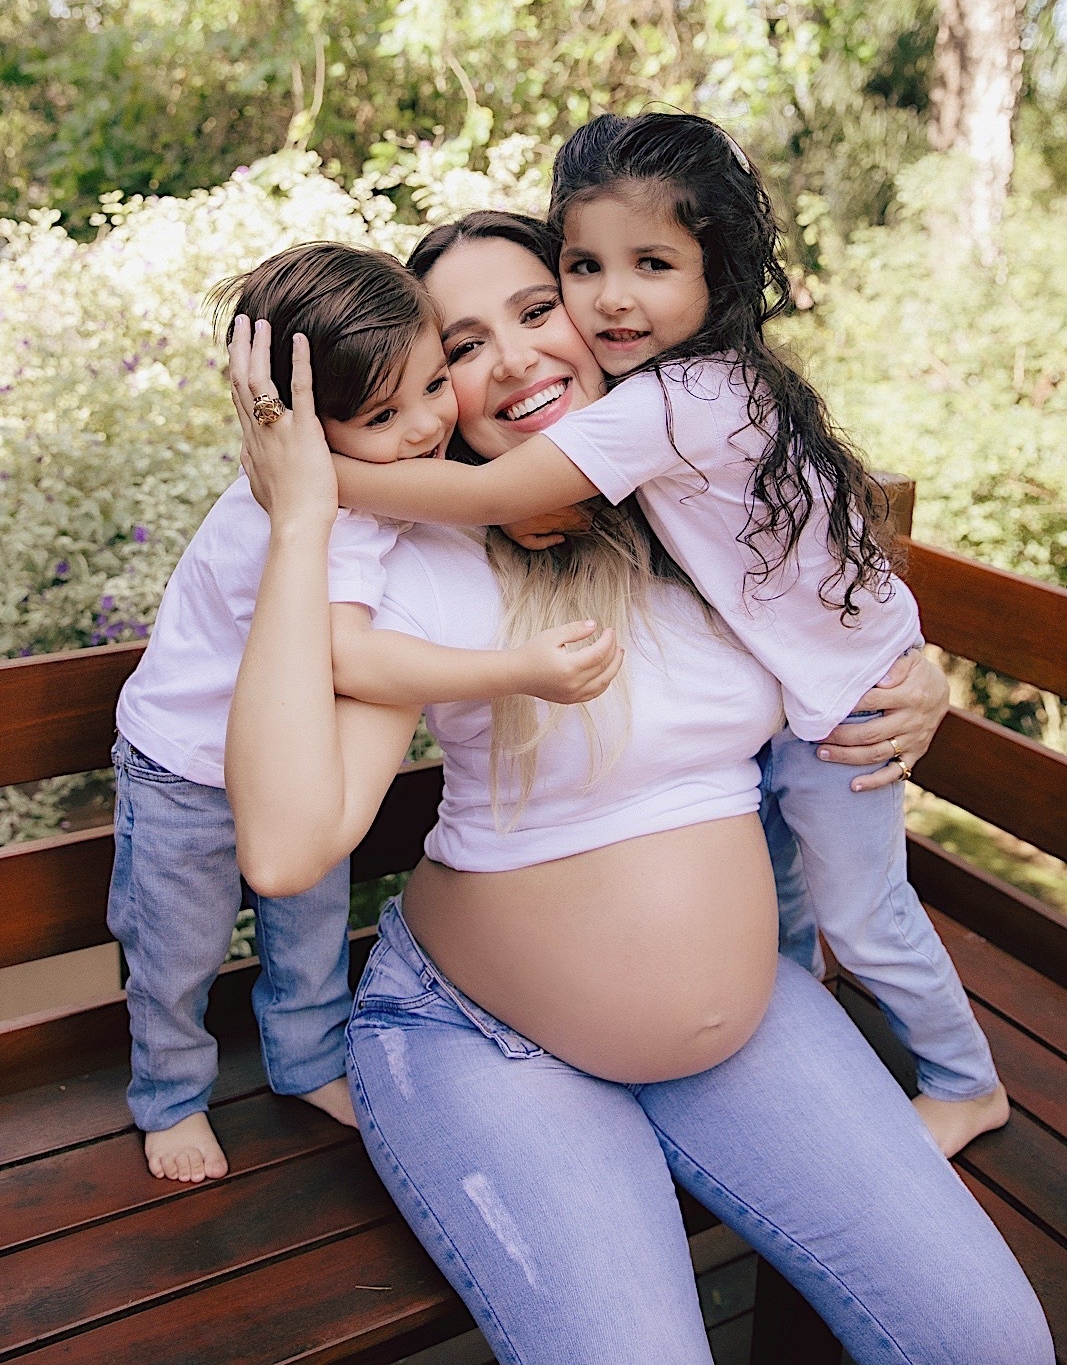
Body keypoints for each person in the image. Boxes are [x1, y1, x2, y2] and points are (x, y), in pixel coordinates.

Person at [223, 219, 1052, 1365]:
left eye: (532, 309)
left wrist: (922, 677)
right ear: (427, 394)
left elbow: (843, 613)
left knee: (990, 1345)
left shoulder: (705, 508)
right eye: (460, 347)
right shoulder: (414, 556)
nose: (512, 360)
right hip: (486, 1044)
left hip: (744, 1026)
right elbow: (280, 848)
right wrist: (306, 514)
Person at [323, 119, 1006, 1158]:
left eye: (644, 267)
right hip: (507, 1040)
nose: (610, 300)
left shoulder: (673, 412)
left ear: (711, 273)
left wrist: (923, 676)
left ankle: (961, 1079)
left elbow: (822, 571)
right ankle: (817, 994)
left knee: (859, 912)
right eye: (585, 268)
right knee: (801, 884)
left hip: (834, 741)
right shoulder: (656, 429)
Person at [110, 241, 620, 1185]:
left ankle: (304, 1064)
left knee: (307, 933)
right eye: (384, 416)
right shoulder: (315, 512)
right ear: (303, 427)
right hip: (182, 767)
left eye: (434, 383)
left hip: (297, 773)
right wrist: (514, 667)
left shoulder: (364, 484)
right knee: (172, 951)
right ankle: (170, 1096)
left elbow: (443, 498)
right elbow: (346, 654)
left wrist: (500, 513)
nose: (428, 425)